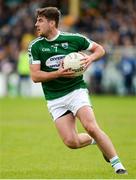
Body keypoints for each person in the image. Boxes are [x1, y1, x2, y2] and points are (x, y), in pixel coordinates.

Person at [28, 7, 127, 175]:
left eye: (40, 21)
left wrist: (90, 58)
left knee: (90, 126)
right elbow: (35, 76)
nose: (36, 24)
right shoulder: (36, 46)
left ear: (52, 23)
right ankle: (97, 142)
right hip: (54, 98)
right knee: (71, 142)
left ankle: (118, 166)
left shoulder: (73, 39)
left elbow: (100, 49)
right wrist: (57, 73)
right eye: (37, 20)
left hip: (76, 90)